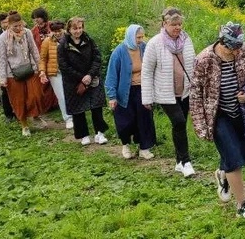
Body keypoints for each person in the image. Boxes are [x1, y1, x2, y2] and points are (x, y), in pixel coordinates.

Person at [190, 22, 245, 220]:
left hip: (241, 112)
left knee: (244, 156)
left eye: (239, 47)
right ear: (222, 42)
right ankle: (242, 206)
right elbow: (195, 94)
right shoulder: (204, 59)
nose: (236, 52)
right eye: (232, 48)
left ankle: (223, 174)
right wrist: (200, 125)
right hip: (218, 116)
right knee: (233, 158)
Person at [142, 7, 198, 177]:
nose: (177, 27)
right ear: (164, 23)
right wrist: (147, 97)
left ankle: (179, 162)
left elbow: (194, 64)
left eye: (180, 24)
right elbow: (147, 71)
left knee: (179, 125)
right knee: (179, 122)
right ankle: (186, 161)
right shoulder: (155, 43)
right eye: (174, 24)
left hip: (185, 91)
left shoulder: (186, 40)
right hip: (165, 93)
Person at [107, 24, 158, 160]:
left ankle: (144, 148)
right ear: (130, 37)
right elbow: (111, 75)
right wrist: (112, 96)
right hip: (125, 91)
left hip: (142, 88)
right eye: (138, 37)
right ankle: (126, 145)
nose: (141, 40)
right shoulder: (119, 52)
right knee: (126, 120)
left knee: (144, 118)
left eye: (142, 37)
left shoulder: (144, 48)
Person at [57, 17, 109, 146]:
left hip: (92, 78)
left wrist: (90, 75)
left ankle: (100, 133)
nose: (78, 31)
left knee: (96, 106)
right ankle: (84, 135)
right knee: (78, 109)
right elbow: (63, 66)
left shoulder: (89, 40)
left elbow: (97, 58)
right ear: (69, 29)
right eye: (75, 28)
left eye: (80, 28)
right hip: (73, 81)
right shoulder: (63, 45)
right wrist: (81, 78)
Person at [0, 12, 46, 136]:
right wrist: (3, 78)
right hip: (12, 73)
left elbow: (34, 50)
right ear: (9, 25)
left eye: (20, 26)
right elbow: (1, 58)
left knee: (35, 95)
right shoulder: (3, 37)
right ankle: (24, 125)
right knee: (19, 100)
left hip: (30, 69)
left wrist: (40, 68)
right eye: (15, 27)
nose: (19, 29)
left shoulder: (27, 33)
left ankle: (35, 116)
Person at [39, 20, 71, 129]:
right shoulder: (47, 41)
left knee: (70, 94)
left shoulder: (69, 39)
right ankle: (67, 118)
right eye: (54, 31)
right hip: (55, 73)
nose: (57, 33)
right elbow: (43, 59)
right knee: (61, 96)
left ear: (64, 30)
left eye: (59, 30)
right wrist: (42, 72)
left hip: (68, 72)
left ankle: (75, 115)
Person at [0, 11, 18, 123]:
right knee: (5, 91)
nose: (6, 24)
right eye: (4, 22)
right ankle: (8, 114)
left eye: (7, 22)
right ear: (0, 23)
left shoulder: (17, 32)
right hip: (3, 66)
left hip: (17, 65)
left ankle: (19, 111)